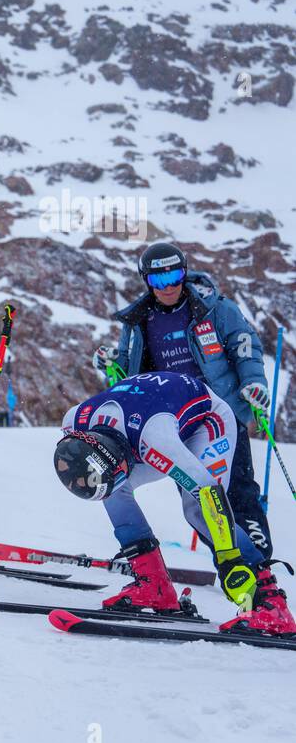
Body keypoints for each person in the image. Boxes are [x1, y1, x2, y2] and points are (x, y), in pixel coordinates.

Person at [54, 371, 294, 634]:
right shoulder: (74, 423)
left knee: (197, 510)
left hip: (206, 422)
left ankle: (269, 602)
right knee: (114, 490)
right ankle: (155, 586)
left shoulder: (156, 441)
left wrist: (228, 559)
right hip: (143, 422)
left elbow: (208, 492)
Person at [94, 241, 274, 562]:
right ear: (146, 281)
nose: (168, 287)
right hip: (177, 423)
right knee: (197, 497)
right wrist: (111, 361)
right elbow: (130, 367)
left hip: (222, 414)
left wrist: (254, 383)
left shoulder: (216, 308)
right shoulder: (137, 321)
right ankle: (229, 559)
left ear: (185, 272)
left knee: (236, 490)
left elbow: (245, 345)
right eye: (158, 280)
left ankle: (259, 563)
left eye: (174, 277)